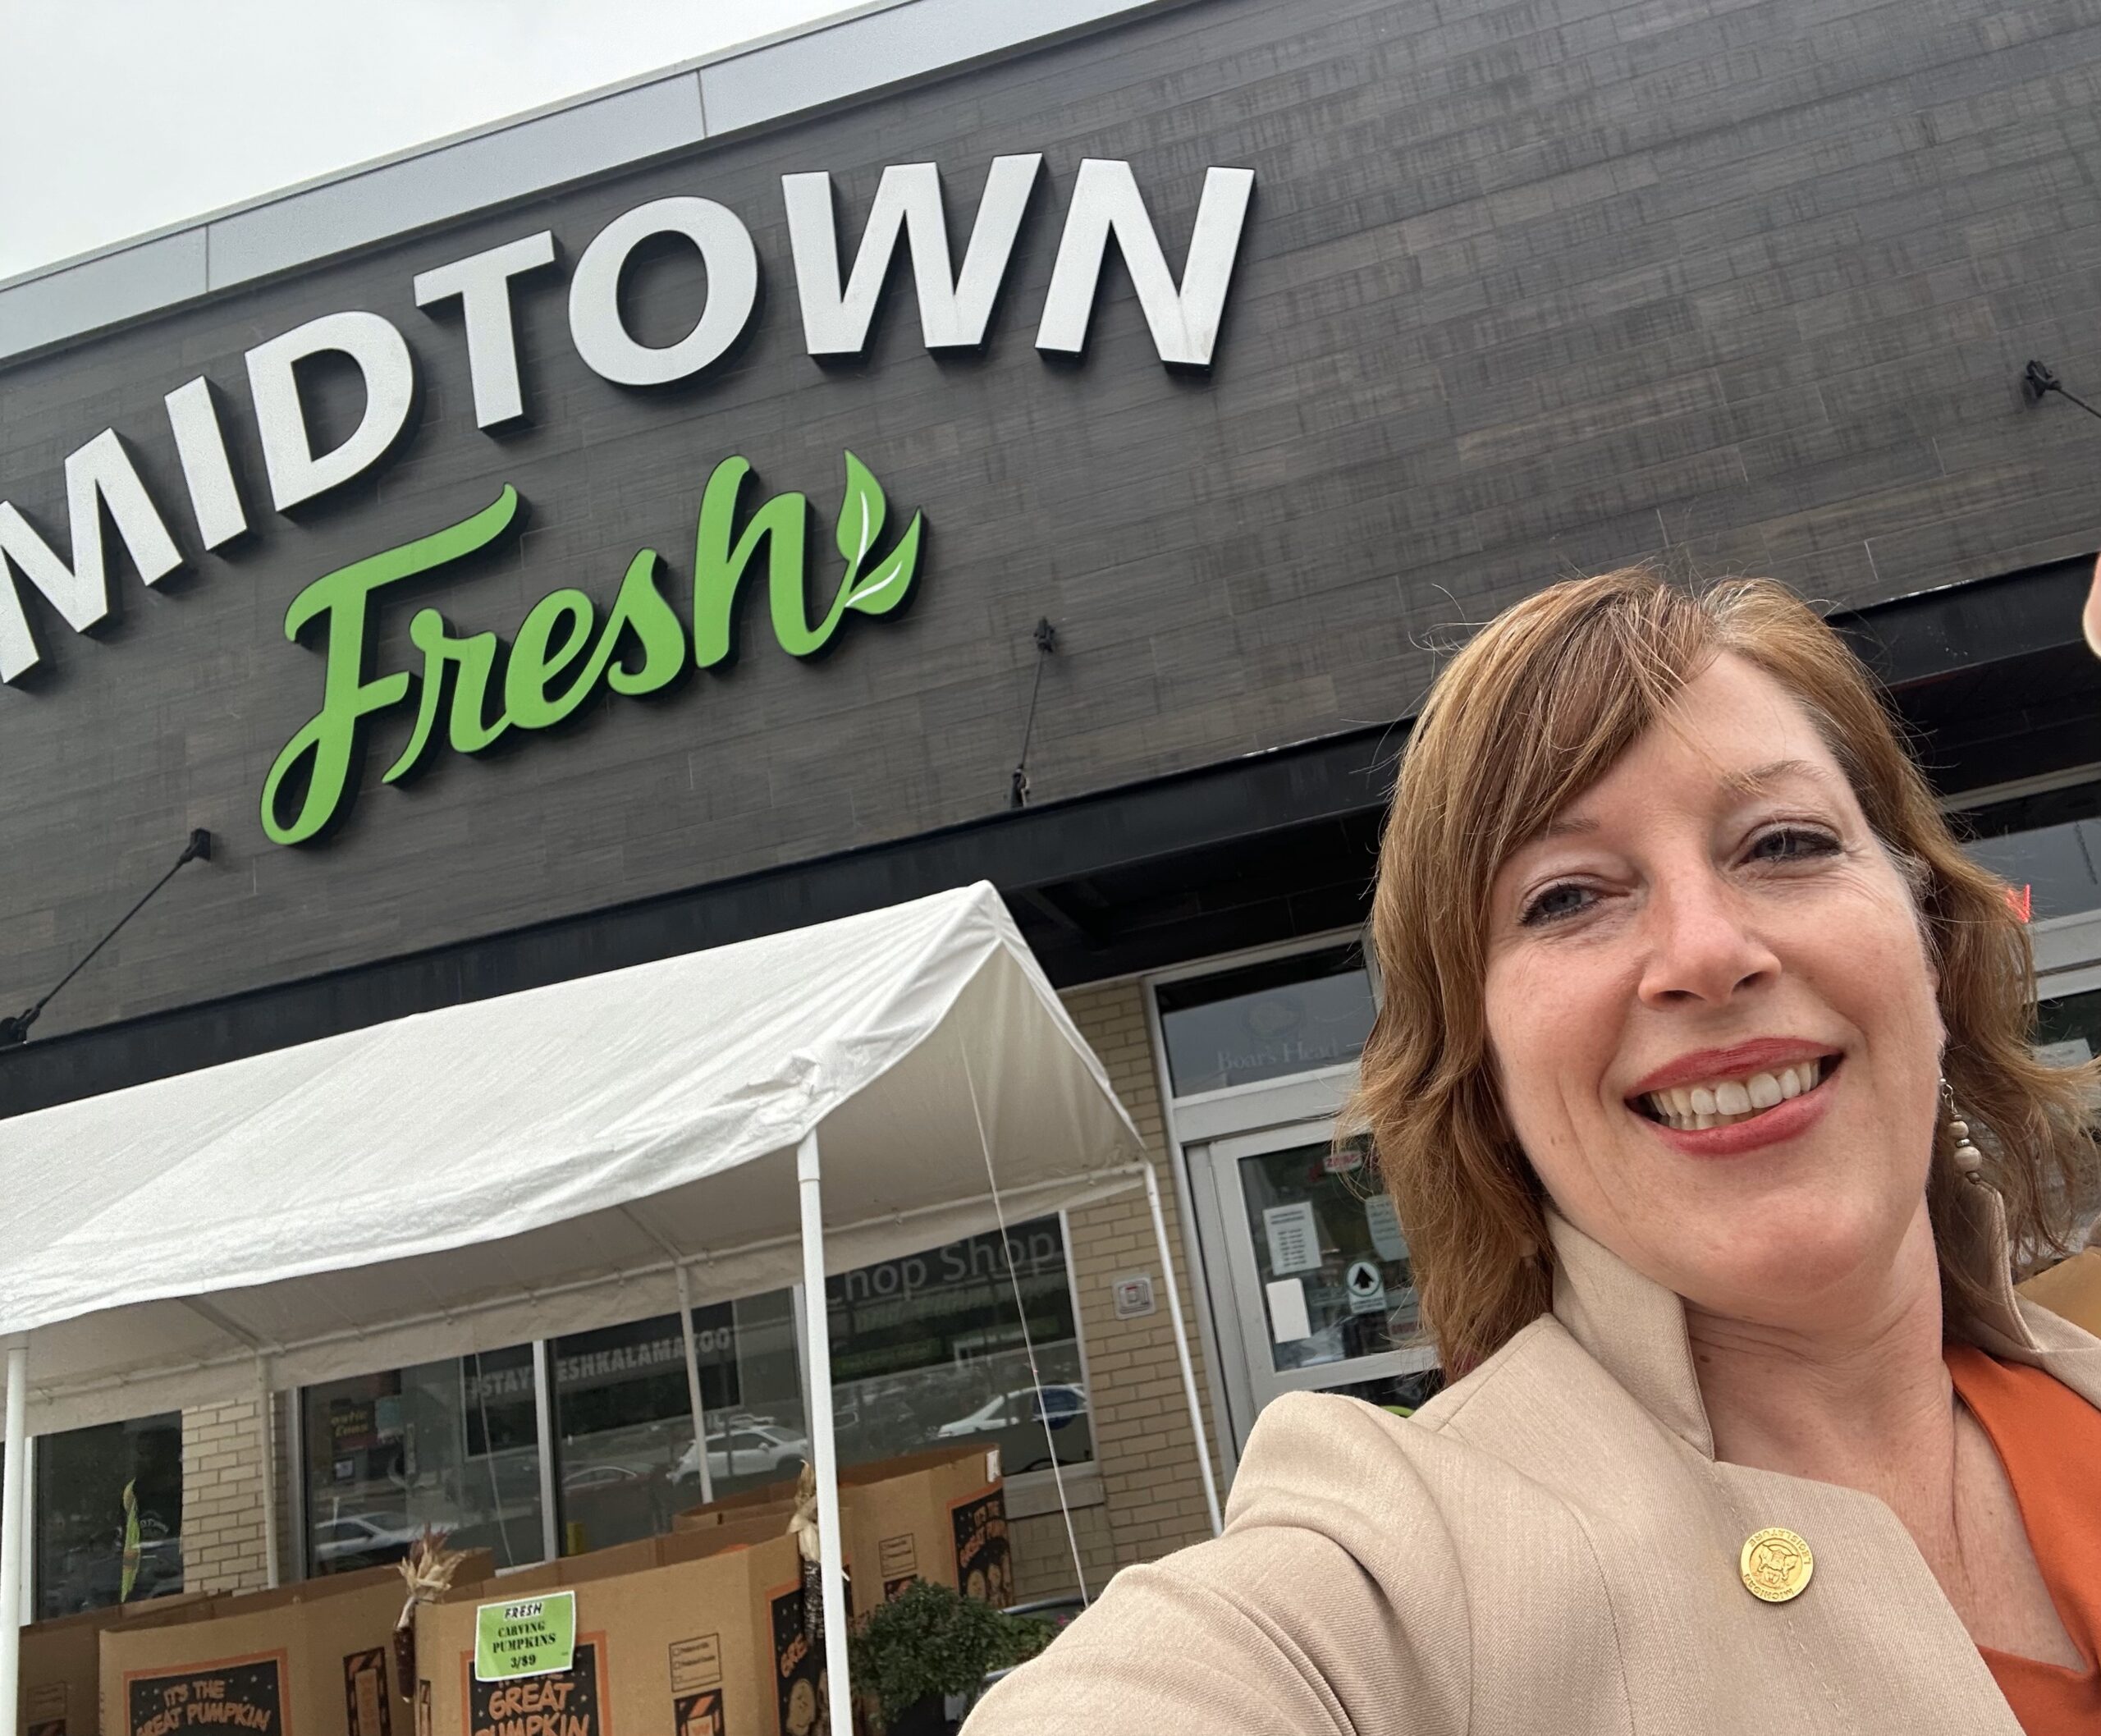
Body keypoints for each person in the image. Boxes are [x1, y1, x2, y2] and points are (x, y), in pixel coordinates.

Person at [965, 569, 2101, 1734]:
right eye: (1565, 899)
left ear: (1930, 943)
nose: (1706, 951)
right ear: (1486, 1079)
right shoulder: (1409, 1561)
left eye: (1784, 841)